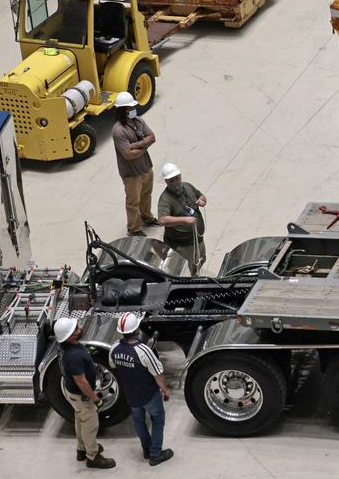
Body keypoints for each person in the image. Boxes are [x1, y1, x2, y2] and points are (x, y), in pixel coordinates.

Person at [109, 313, 174, 467]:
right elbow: (158, 373)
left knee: (139, 421)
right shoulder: (143, 350)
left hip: (131, 395)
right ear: (137, 330)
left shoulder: (114, 348)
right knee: (158, 420)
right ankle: (155, 454)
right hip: (148, 394)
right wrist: (165, 390)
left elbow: (112, 365)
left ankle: (146, 449)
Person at [54, 317, 116, 469]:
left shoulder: (65, 347)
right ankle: (92, 456)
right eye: (76, 329)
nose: (80, 328)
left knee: (80, 419)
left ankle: (81, 449)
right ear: (69, 337)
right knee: (90, 424)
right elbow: (81, 381)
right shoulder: (75, 356)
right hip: (82, 395)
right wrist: (94, 398)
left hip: (74, 393)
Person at [112, 91, 157, 237]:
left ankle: (146, 217)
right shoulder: (119, 131)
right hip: (131, 173)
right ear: (123, 110)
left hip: (145, 167)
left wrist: (138, 145)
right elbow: (128, 155)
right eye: (130, 108)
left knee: (146, 195)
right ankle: (134, 228)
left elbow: (152, 137)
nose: (133, 110)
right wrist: (145, 145)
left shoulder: (138, 121)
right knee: (133, 201)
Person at [156, 163, 206, 276]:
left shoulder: (188, 186)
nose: (175, 182)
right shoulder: (165, 199)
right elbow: (162, 220)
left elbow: (201, 196)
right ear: (166, 182)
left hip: (197, 238)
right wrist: (184, 220)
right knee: (180, 271)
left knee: (199, 261)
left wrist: (202, 200)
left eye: (177, 178)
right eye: (171, 180)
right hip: (182, 245)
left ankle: (195, 275)